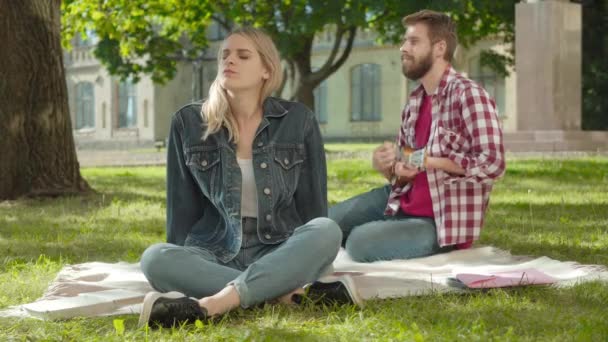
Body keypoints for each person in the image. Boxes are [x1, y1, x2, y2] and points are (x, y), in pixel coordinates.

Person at [138, 27, 342, 328]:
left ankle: (216, 303)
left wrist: (311, 257)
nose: (229, 60)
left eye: (243, 55)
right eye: (225, 55)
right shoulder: (188, 122)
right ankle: (278, 293)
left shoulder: (298, 120)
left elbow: (313, 208)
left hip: (279, 246)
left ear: (266, 70)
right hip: (215, 249)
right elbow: (181, 209)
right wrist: (182, 264)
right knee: (154, 259)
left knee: (327, 230)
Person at [329, 10, 505, 263]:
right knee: (326, 222)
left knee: (359, 243)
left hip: (442, 223)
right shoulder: (414, 101)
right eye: (404, 41)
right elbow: (407, 168)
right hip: (402, 202)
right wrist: (389, 167)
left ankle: (381, 238)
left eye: (413, 41)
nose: (403, 48)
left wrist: (434, 162)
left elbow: (493, 164)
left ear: (439, 48)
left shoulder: (469, 95)